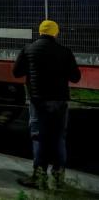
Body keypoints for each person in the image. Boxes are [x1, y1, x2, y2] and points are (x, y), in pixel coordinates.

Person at [14, 20, 81, 190]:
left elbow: (17, 72)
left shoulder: (28, 49)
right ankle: (58, 180)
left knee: (39, 137)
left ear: (40, 32)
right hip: (59, 101)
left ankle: (39, 177)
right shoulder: (65, 52)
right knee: (58, 138)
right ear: (55, 33)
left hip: (38, 101)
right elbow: (75, 77)